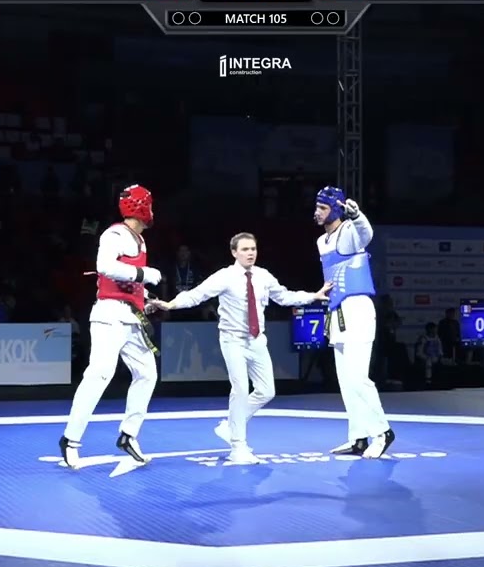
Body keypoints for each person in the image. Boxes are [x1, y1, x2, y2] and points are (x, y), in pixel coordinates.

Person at [154, 232, 331, 464]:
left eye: (253, 249)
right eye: (245, 249)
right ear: (234, 252)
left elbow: (284, 296)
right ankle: (238, 446)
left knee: (267, 391)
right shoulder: (225, 276)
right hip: (233, 340)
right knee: (240, 389)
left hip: (257, 340)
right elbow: (197, 295)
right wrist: (171, 304)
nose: (250, 253)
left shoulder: (263, 276)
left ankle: (230, 425)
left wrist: (313, 296)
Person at [59, 184, 162, 470]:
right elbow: (104, 266)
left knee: (147, 374)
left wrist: (148, 298)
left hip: (132, 317)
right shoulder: (114, 234)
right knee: (100, 374)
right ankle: (70, 439)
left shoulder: (140, 241)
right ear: (142, 207)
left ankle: (128, 435)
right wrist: (144, 273)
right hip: (109, 316)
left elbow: (127, 282)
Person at [314, 186, 396, 459]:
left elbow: (366, 234)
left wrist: (357, 215)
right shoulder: (321, 241)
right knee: (346, 380)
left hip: (358, 309)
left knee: (359, 378)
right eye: (317, 207)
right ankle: (358, 438)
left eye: (323, 208)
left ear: (335, 210)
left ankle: (382, 432)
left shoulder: (349, 232)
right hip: (337, 311)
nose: (317, 212)